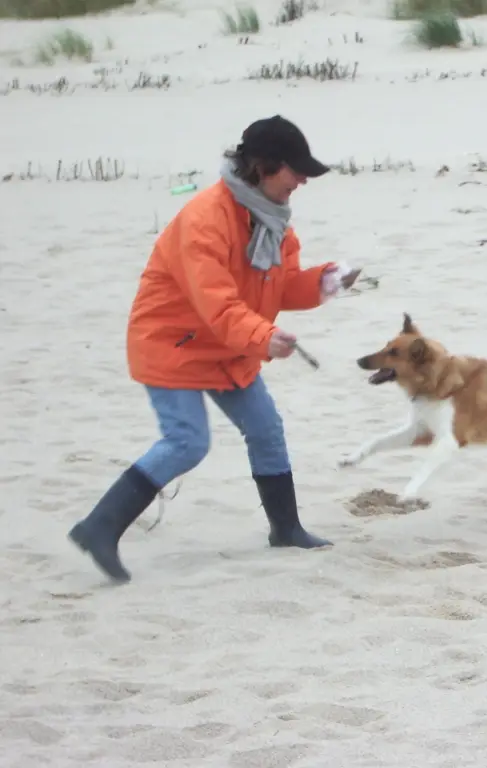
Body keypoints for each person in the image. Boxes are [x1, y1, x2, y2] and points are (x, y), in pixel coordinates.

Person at [68, 115, 359, 585]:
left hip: (228, 345)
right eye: (295, 169)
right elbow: (216, 304)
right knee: (187, 441)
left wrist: (326, 281)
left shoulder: (272, 219)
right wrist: (264, 337)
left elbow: (281, 287)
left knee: (266, 428)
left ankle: (285, 529)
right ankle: (99, 526)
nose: (303, 179)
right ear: (263, 166)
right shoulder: (205, 219)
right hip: (173, 343)